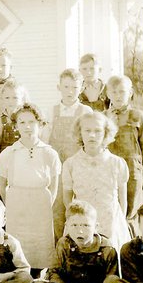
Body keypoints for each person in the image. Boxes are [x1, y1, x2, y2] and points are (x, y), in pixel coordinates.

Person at [21, 201, 118, 283]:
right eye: (74, 225)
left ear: (96, 227)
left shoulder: (107, 248)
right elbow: (54, 271)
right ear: (67, 226)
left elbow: (111, 281)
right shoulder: (64, 243)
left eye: (85, 225)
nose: (80, 231)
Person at [0, 103, 60, 271]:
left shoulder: (49, 153)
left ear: (40, 124)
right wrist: (10, 203)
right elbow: (2, 184)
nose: (27, 127)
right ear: (16, 126)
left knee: (40, 240)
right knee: (18, 240)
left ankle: (39, 275)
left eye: (31, 122)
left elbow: (54, 183)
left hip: (40, 201)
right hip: (17, 201)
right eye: (22, 122)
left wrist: (47, 202)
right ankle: (19, 274)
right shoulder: (9, 153)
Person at [62, 111, 130, 251]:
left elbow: (122, 199)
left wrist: (119, 222)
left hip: (110, 222)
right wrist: (75, 222)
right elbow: (67, 198)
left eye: (97, 131)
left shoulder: (116, 163)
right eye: (87, 131)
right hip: (82, 224)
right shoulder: (71, 164)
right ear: (80, 133)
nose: (92, 135)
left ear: (106, 133)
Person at [43, 68, 92, 240]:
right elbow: (45, 138)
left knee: (80, 205)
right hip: (57, 168)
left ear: (82, 88)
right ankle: (60, 246)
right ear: (59, 87)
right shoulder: (52, 111)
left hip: (78, 166)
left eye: (74, 87)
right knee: (57, 207)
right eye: (66, 87)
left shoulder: (86, 112)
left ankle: (82, 243)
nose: (70, 91)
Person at [106, 75, 143, 220]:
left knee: (131, 209)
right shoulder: (102, 117)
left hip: (133, 169)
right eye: (114, 92)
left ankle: (131, 240)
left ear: (130, 93)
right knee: (111, 207)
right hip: (109, 167)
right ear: (108, 94)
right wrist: (108, 122)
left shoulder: (138, 116)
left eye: (122, 91)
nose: (118, 96)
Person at [0, 79, 25, 197]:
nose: (11, 101)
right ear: (2, 99)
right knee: (3, 192)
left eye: (15, 98)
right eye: (7, 98)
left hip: (24, 162)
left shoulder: (26, 119)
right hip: (3, 163)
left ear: (22, 98)